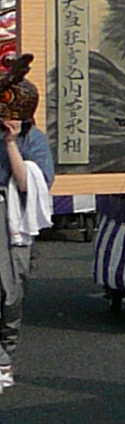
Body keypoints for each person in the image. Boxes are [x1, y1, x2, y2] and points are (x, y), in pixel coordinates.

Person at [0, 76, 57, 395]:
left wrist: (11, 144)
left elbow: (30, 183)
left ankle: (5, 353)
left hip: (13, 217)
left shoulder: (33, 139)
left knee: (10, 290)